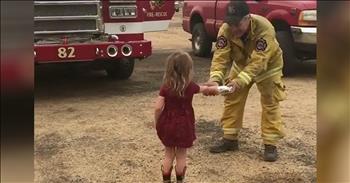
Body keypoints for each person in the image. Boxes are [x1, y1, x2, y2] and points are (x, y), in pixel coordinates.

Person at [203, 0, 287, 162]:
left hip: (268, 65)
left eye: (237, 24)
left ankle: (270, 144)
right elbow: (221, 57)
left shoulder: (265, 28)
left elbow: (259, 61)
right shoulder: (226, 29)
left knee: (270, 102)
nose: (233, 29)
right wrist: (214, 79)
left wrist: (240, 81)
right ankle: (230, 139)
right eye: (230, 24)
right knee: (232, 97)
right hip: (241, 64)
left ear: (247, 18)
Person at [154, 51, 217, 182]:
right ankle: (180, 180)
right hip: (185, 124)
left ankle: (166, 180)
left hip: (168, 124)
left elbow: (158, 107)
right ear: (188, 69)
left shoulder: (166, 87)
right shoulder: (190, 86)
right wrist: (215, 87)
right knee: (181, 155)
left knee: (168, 153)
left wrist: (157, 122)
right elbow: (204, 89)